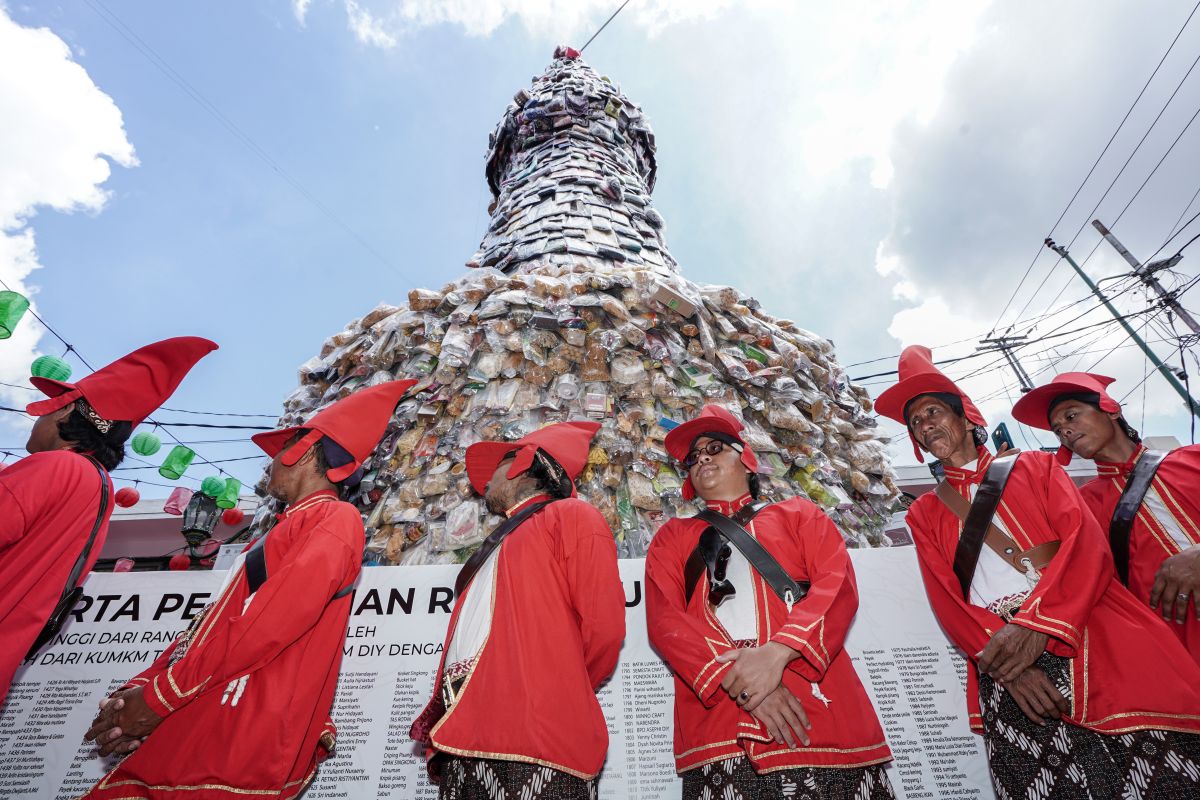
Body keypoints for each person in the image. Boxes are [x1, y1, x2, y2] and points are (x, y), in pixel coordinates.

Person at [876, 345, 1200, 798]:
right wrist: (1009, 670)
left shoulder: (1036, 466)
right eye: (915, 421)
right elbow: (947, 599)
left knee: (1155, 771)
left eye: (933, 411)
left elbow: (1087, 547)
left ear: (968, 417)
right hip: (1003, 655)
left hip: (1088, 627)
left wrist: (1037, 624)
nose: (924, 424)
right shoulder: (923, 513)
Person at [79, 379, 416, 799]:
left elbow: (264, 626)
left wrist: (160, 697)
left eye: (276, 454)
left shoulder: (334, 519)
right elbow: (209, 629)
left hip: (239, 717)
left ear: (303, 451)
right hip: (208, 702)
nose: (270, 465)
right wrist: (141, 688)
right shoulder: (286, 530)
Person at [645, 405, 894, 800]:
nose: (702, 458)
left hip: (812, 700)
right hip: (720, 715)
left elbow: (837, 585)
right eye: (693, 458)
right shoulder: (671, 537)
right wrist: (743, 683)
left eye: (714, 448)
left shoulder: (799, 514)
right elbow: (666, 620)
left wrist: (779, 652)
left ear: (747, 459)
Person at [410, 421, 625, 799]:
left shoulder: (572, 516)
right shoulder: (499, 543)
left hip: (538, 739)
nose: (485, 484)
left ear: (520, 464)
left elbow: (603, 629)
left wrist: (555, 684)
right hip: (465, 737)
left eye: (495, 468)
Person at [0, 336, 216, 706]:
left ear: (67, 416)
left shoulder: (54, 466)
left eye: (49, 408)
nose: (36, 418)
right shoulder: (96, 485)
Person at [1012, 371, 1199, 659]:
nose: (1066, 432)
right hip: (1179, 648)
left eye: (1071, 416)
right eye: (1058, 430)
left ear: (1110, 410)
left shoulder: (1191, 459)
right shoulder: (1081, 506)